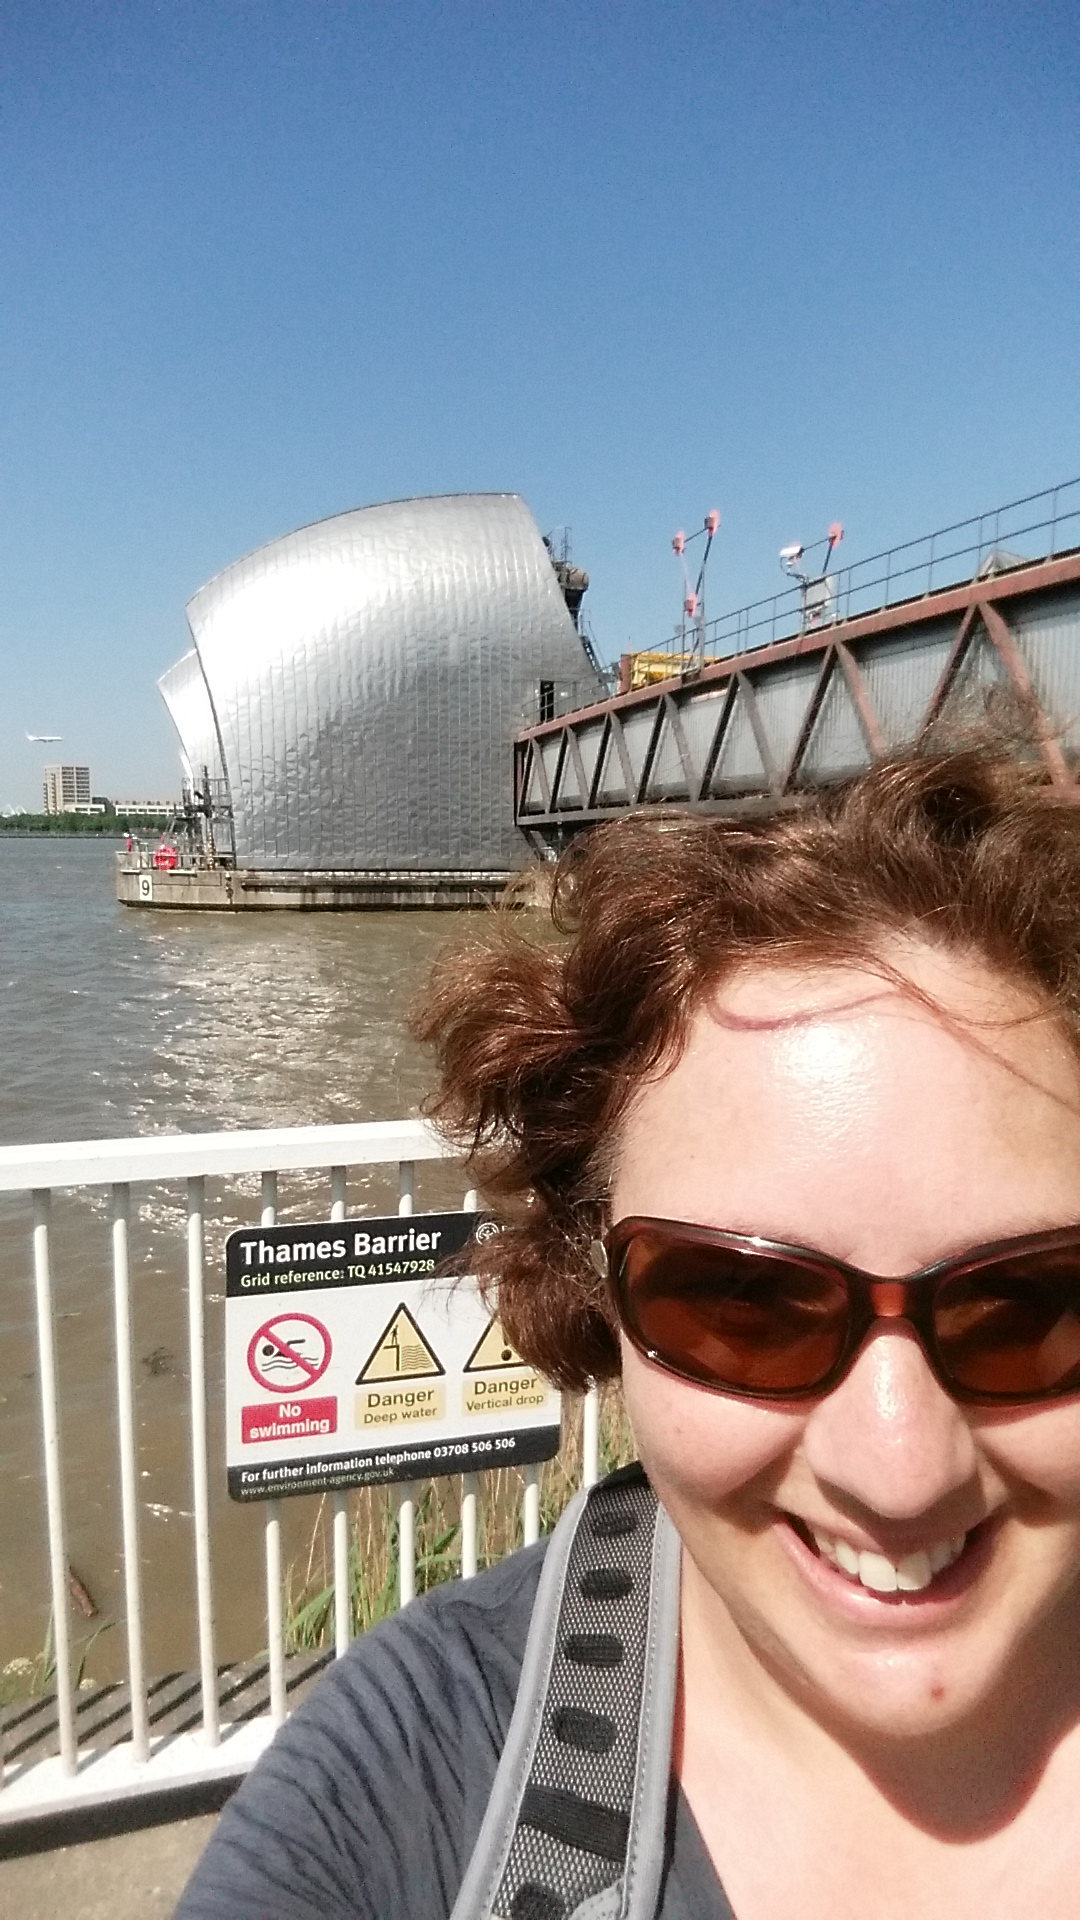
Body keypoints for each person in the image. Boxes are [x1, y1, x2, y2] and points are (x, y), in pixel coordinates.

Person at [178, 733, 1080, 1918]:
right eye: (744, 1304)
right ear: (592, 1282)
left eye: (1028, 1303)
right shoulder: (410, 1789)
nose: (898, 1468)